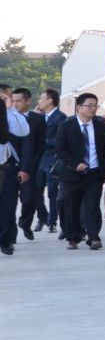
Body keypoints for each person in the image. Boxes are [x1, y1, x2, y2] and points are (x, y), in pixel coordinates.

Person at [55, 93, 105, 251]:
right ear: (79, 107)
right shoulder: (66, 126)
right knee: (71, 206)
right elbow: (60, 149)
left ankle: (94, 237)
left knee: (92, 206)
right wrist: (75, 164)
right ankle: (73, 237)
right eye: (89, 105)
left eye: (95, 105)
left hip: (94, 173)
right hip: (72, 173)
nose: (93, 108)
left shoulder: (100, 126)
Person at [13, 88, 46, 243]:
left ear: (28, 101)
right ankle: (9, 236)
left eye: (19, 101)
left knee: (28, 199)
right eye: (13, 101)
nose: (15, 104)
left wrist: (33, 163)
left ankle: (25, 223)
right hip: (10, 166)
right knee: (8, 203)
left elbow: (41, 144)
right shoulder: (7, 118)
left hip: (30, 167)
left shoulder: (37, 119)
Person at [0, 86, 29, 255]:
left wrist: (9, 109)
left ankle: (5, 241)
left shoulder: (8, 114)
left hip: (7, 166)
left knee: (8, 206)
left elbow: (23, 131)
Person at [34, 89, 65, 234]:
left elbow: (60, 139)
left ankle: (52, 221)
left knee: (52, 192)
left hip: (53, 159)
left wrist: (42, 142)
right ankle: (43, 216)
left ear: (50, 100)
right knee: (35, 190)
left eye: (41, 98)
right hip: (39, 159)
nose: (39, 101)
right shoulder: (39, 117)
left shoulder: (61, 117)